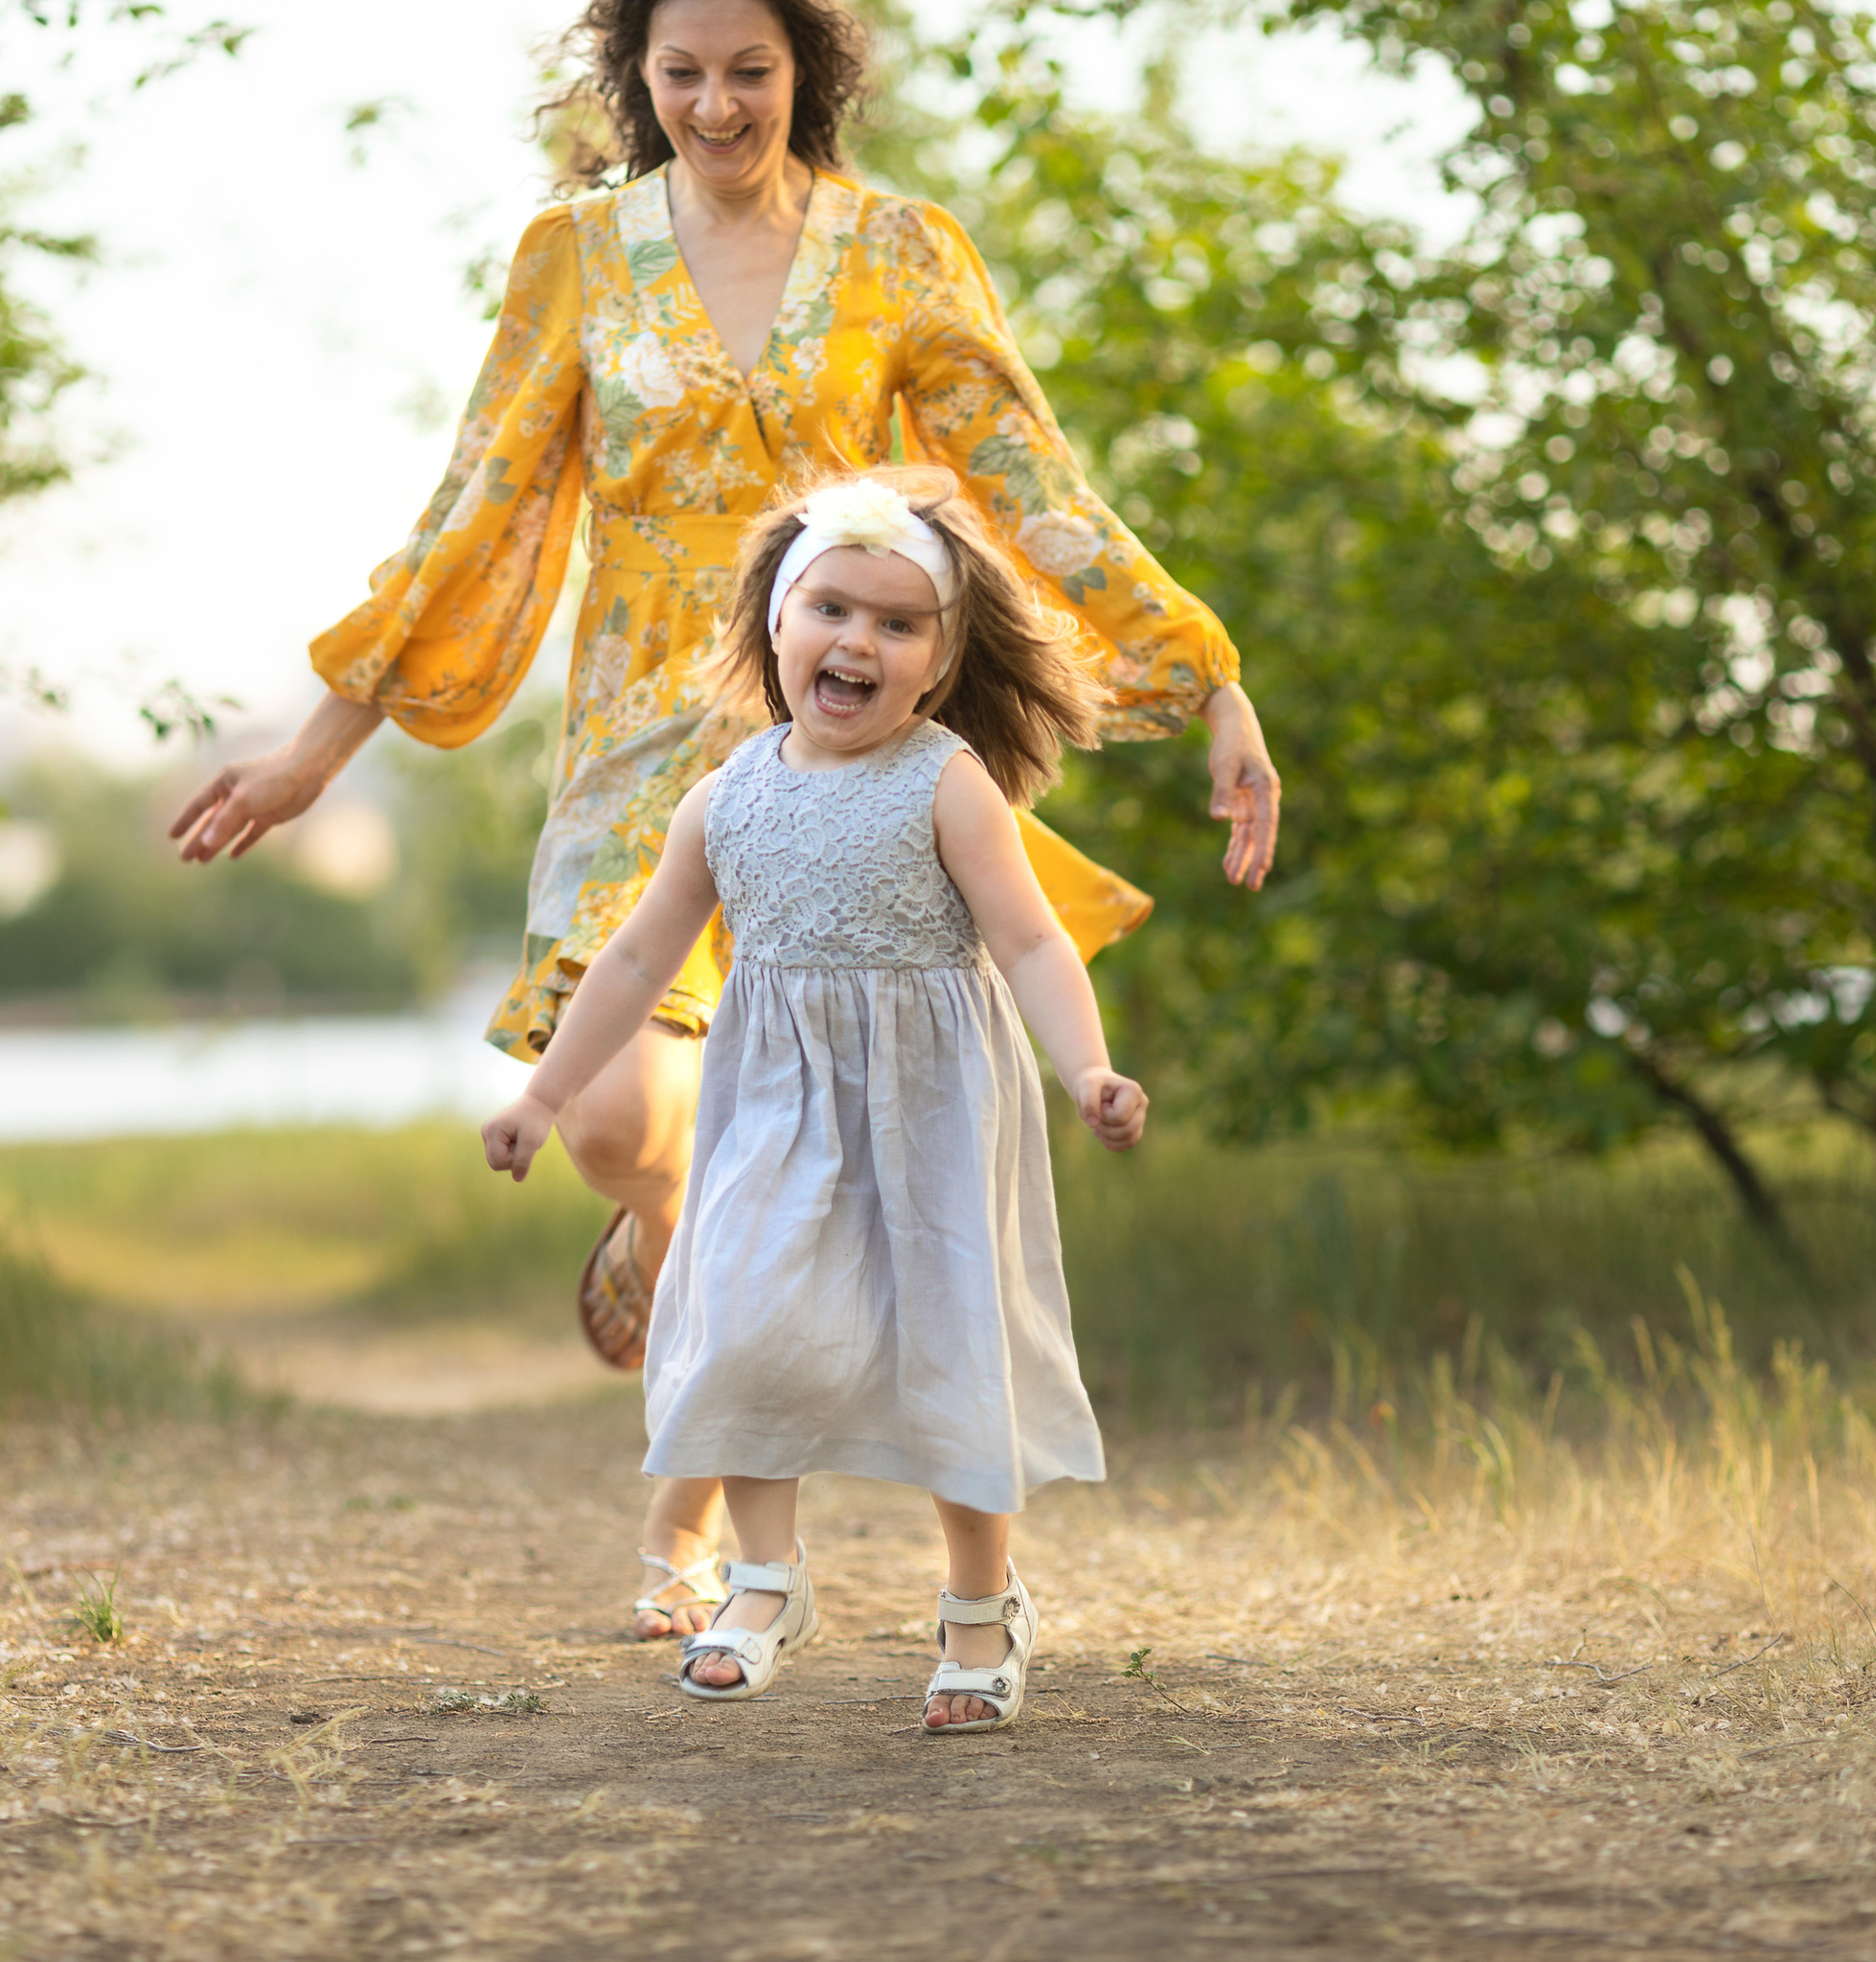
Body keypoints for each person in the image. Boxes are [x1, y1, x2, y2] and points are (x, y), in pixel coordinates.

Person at [170, 0, 1280, 1645]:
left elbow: (1032, 482)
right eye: (678, 73)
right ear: (637, 78)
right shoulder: (576, 255)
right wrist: (322, 747)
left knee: (773, 1124)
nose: (712, 104)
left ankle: (689, 1530)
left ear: (807, 71)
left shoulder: (902, 253)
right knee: (624, 1126)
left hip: (852, 748)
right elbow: (477, 508)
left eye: (747, 70)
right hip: (645, 749)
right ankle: (674, 1227)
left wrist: (1208, 682)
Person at [484, 468, 1142, 1732]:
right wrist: (546, 1091)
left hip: (933, 1105)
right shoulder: (724, 797)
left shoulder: (948, 782)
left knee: (951, 1338)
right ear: (777, 626)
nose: (859, 642)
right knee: (740, 1316)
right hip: (775, 1101)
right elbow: (633, 960)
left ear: (941, 665)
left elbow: (1035, 944)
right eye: (832, 610)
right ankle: (765, 1584)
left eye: (898, 626)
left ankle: (979, 1605)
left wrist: (1087, 1069)